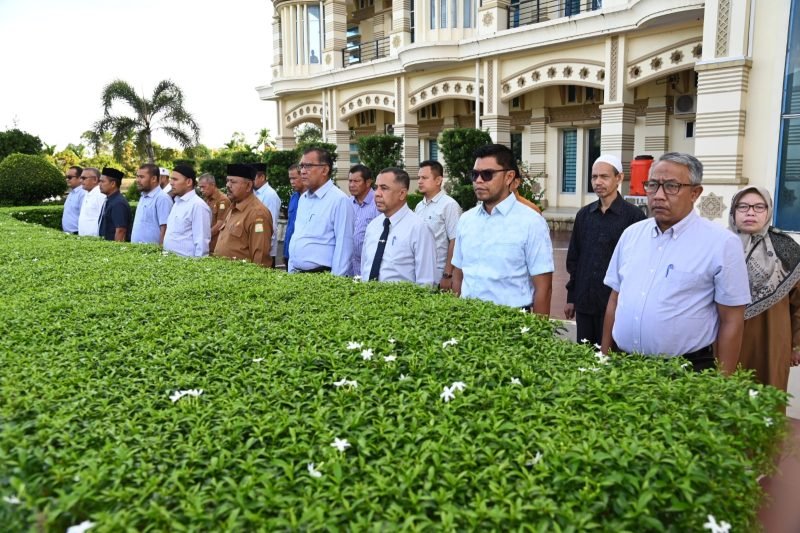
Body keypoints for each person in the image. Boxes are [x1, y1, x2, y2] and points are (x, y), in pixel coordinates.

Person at [601, 152, 751, 374]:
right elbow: (615, 299)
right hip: (624, 366)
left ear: (695, 193)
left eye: (672, 186)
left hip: (683, 372)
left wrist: (722, 384)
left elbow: (732, 320)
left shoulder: (722, 244)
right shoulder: (631, 235)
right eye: (653, 185)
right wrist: (604, 358)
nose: (659, 195)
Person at [451, 144, 554, 314]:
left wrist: (537, 333)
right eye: (475, 174)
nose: (478, 181)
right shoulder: (466, 219)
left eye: (487, 174)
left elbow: (544, 287)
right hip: (467, 320)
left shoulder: (531, 222)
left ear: (509, 177)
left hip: (512, 323)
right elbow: (458, 274)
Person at [564, 154, 646, 345]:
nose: (598, 182)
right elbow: (574, 259)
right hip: (585, 302)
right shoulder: (584, 215)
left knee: (610, 360)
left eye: (604, 176)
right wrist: (571, 297)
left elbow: (637, 266)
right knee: (585, 356)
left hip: (615, 306)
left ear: (619, 178)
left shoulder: (634, 218)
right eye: (594, 177)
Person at [729, 186, 800, 391]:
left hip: (771, 341)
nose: (750, 212)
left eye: (759, 207)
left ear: (768, 211)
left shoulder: (788, 249)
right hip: (723, 339)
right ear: (733, 211)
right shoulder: (719, 244)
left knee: (766, 400)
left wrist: (796, 345)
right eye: (743, 206)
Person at [361, 167, 436, 286]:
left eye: (384, 188)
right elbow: (365, 269)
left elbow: (426, 282)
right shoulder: (373, 226)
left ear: (402, 194)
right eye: (376, 187)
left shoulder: (419, 228)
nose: (377, 193)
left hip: (402, 303)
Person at [288, 147, 354, 275]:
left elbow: (344, 247)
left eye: (308, 166)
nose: (302, 171)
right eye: (301, 166)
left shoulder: (339, 200)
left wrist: (335, 283)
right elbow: (297, 236)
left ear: (324, 169)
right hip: (296, 274)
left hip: (322, 277)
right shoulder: (303, 199)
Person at [214, 164, 274, 267]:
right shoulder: (233, 207)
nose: (228, 185)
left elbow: (260, 260)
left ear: (249, 186)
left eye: (233, 182)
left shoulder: (257, 213)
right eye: (227, 181)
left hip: (240, 280)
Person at [414, 160, 462, 289]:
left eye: (424, 177)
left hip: (439, 273)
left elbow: (455, 240)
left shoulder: (449, 205)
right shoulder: (419, 206)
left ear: (438, 180)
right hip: (419, 273)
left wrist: (447, 274)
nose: (419, 181)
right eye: (419, 177)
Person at [163, 165, 211, 257]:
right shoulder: (177, 202)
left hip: (186, 266)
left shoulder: (198, 206)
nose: (171, 183)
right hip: (170, 263)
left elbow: (202, 243)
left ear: (188, 182)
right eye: (171, 179)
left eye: (175, 179)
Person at [131, 163, 173, 245]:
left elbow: (165, 229)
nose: (138, 180)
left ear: (153, 178)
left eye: (142, 177)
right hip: (137, 252)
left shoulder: (162, 198)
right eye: (137, 176)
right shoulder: (143, 196)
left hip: (152, 254)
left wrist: (160, 252)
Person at [349, 164, 379, 277]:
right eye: (350, 181)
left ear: (368, 182)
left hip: (370, 269)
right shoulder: (348, 202)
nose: (352, 185)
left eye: (356, 181)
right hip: (350, 269)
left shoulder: (378, 203)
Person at [252, 162, 281, 265]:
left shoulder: (270, 195)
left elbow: (271, 224)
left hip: (266, 248)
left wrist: (266, 247)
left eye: (253, 177)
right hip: (255, 246)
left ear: (262, 177)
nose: (251, 180)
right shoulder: (254, 193)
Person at [198, 173, 231, 253]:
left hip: (215, 245)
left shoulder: (223, 200)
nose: (201, 190)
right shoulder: (206, 199)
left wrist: (204, 236)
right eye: (200, 187)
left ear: (212, 185)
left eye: (203, 187)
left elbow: (220, 224)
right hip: (206, 244)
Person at [97, 167, 132, 242]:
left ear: (113, 184)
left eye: (102, 182)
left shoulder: (118, 203)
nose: (99, 184)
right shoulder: (110, 199)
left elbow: (120, 231)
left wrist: (116, 249)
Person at [283, 164, 304, 265]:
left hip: (302, 255)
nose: (292, 182)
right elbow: (289, 226)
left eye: (294, 178)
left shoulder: (311, 199)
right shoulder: (293, 197)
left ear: (303, 176)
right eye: (290, 179)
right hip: (288, 253)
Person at [77, 167, 105, 237]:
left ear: (95, 179)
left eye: (83, 178)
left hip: (95, 239)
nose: (80, 181)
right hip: (85, 239)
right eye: (80, 178)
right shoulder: (87, 192)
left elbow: (104, 219)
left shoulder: (100, 194)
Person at [61, 165, 85, 234]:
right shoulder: (71, 193)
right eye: (66, 177)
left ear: (80, 178)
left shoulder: (83, 194)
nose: (67, 179)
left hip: (77, 233)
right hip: (67, 233)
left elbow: (84, 216)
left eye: (70, 177)